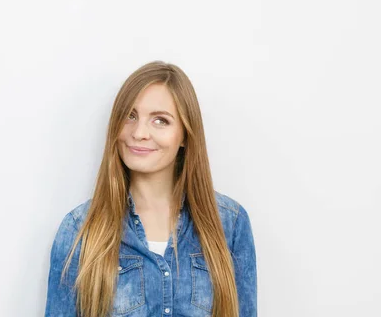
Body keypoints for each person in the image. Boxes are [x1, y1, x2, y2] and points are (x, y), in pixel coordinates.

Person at [44, 61, 257, 317]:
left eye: (160, 120)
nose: (139, 132)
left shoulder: (230, 223)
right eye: (130, 116)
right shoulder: (79, 229)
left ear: (185, 136)